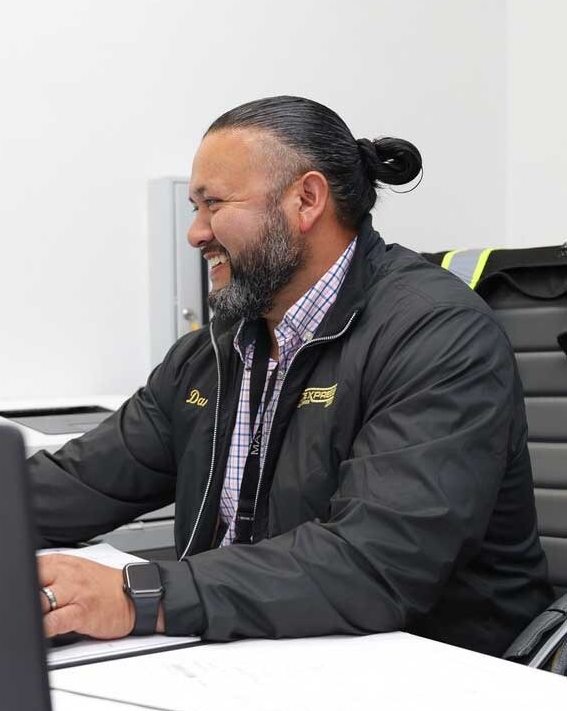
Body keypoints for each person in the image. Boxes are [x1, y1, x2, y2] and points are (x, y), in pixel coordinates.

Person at [31, 95, 553, 660]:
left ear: (306, 200)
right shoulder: (218, 349)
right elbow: (80, 484)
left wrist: (139, 597)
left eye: (213, 205)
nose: (196, 234)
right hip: (257, 656)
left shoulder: (437, 335)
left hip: (429, 677)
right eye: (192, 208)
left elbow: (374, 563)